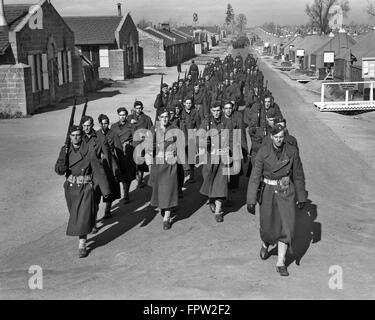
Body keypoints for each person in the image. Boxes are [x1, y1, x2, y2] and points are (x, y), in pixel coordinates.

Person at [246, 124, 307, 277]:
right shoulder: (263, 152)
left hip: (286, 191)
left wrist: (301, 197)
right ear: (271, 137)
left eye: (282, 137)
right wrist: (251, 199)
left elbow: (298, 175)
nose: (279, 140)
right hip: (267, 192)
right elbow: (255, 177)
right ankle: (266, 243)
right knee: (267, 227)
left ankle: (281, 262)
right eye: (277, 137)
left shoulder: (292, 152)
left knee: (286, 227)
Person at [55, 125, 110, 258]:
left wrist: (106, 191)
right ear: (69, 136)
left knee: (82, 217)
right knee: (75, 215)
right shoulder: (65, 150)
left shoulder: (89, 150)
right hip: (71, 188)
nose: (75, 137)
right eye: (73, 135)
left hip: (85, 188)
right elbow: (58, 169)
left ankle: (82, 244)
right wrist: (61, 166)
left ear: (82, 136)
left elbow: (98, 170)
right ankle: (83, 235)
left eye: (78, 135)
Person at [146, 107, 180, 230]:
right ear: (158, 118)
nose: (165, 119)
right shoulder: (153, 129)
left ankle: (167, 217)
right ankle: (164, 207)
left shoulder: (175, 129)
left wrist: (185, 165)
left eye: (167, 116)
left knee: (169, 189)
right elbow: (149, 148)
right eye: (162, 117)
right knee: (160, 190)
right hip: (158, 164)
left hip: (170, 163)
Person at [199, 102, 230, 223]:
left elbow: (232, 138)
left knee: (221, 184)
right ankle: (211, 199)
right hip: (209, 157)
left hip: (222, 157)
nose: (216, 113)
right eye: (214, 110)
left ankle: (218, 211)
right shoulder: (206, 122)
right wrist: (203, 142)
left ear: (221, 110)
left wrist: (230, 150)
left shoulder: (227, 122)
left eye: (218, 110)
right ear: (211, 111)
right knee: (209, 180)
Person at [81, 115, 111, 233]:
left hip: (95, 175)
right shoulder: (79, 137)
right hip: (82, 175)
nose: (87, 128)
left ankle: (93, 222)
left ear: (93, 126)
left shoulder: (99, 138)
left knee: (95, 201)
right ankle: (86, 221)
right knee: (84, 202)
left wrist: (111, 172)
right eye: (84, 126)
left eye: (89, 125)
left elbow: (107, 156)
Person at [95, 114, 123, 219]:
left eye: (106, 123)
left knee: (111, 188)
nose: (104, 125)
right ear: (99, 124)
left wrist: (119, 166)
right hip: (100, 164)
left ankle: (107, 209)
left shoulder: (113, 134)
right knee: (97, 191)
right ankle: (95, 216)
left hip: (111, 164)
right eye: (102, 123)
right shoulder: (96, 134)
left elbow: (118, 148)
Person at [111, 107, 137, 204]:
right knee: (118, 172)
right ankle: (122, 191)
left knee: (128, 174)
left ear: (126, 115)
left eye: (124, 115)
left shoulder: (131, 126)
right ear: (118, 115)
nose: (122, 117)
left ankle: (126, 193)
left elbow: (136, 138)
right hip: (117, 151)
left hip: (128, 152)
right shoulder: (113, 126)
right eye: (120, 115)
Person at [128, 100, 153, 189]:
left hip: (141, 144)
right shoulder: (129, 118)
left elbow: (151, 130)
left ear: (142, 108)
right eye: (137, 108)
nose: (138, 110)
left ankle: (140, 180)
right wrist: (129, 122)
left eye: (140, 108)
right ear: (134, 108)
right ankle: (135, 177)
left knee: (140, 163)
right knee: (132, 163)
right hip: (131, 144)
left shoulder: (147, 118)